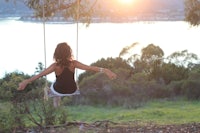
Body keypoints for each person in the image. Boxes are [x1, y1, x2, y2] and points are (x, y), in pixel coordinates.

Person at [18, 42, 117, 107]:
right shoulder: (74, 64)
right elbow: (90, 68)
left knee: (53, 87)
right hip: (72, 89)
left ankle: (56, 105)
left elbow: (40, 75)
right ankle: (58, 103)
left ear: (56, 54)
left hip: (58, 90)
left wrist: (26, 81)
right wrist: (105, 70)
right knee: (65, 83)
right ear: (69, 53)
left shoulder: (55, 66)